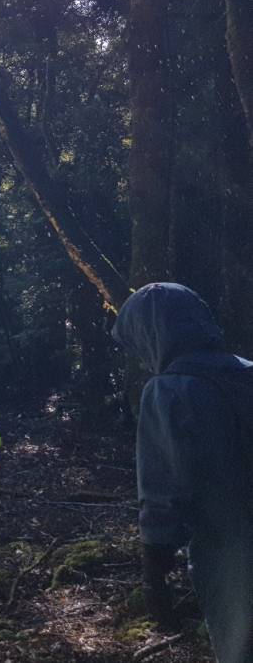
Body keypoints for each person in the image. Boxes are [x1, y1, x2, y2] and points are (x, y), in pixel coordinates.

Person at [112, 283, 253, 663]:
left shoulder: (167, 391)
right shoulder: (246, 372)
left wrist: (154, 568)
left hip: (228, 553)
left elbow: (161, 487)